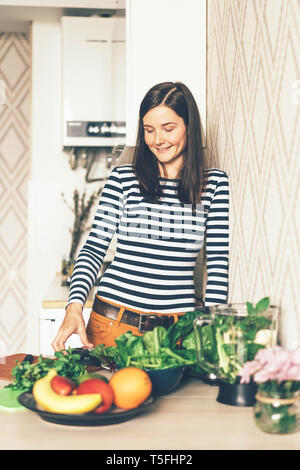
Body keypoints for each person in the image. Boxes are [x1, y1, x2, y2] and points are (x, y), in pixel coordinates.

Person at [52, 81, 229, 352]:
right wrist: (74, 306)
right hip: (112, 324)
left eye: (168, 129)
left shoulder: (214, 184)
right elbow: (94, 249)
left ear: (189, 127)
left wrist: (212, 329)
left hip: (175, 334)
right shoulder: (123, 179)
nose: (157, 140)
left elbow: (216, 263)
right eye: (149, 130)